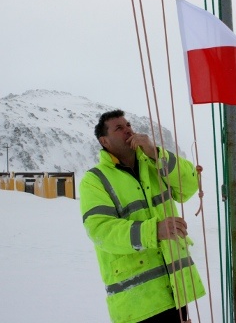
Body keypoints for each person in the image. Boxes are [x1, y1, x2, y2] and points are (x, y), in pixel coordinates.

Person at [79, 109, 206, 323]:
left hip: (174, 291)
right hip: (137, 303)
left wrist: (156, 153)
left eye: (128, 125)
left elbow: (190, 186)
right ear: (104, 141)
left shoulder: (153, 163)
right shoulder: (95, 180)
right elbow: (101, 231)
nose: (128, 130)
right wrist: (154, 231)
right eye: (119, 128)